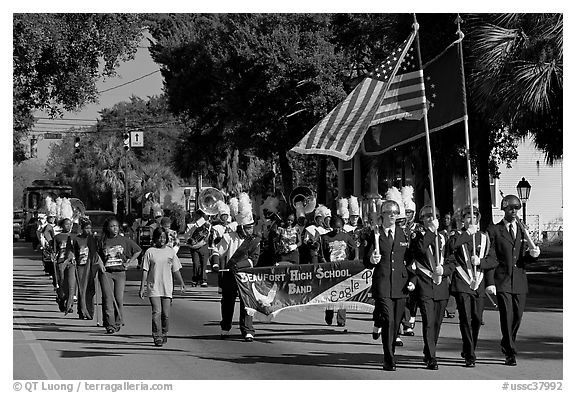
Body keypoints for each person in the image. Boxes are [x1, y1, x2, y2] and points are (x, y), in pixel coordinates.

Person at [487, 194, 540, 366]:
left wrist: (533, 256)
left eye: (517, 208)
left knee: (517, 316)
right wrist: (490, 282)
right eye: (511, 208)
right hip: (502, 279)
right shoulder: (495, 230)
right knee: (507, 316)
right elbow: (491, 256)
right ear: (504, 209)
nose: (514, 211)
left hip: (519, 280)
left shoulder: (522, 229)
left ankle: (506, 341)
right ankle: (510, 351)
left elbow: (522, 257)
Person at [363, 198, 415, 371]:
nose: (392, 216)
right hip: (383, 283)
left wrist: (412, 280)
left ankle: (391, 350)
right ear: (382, 215)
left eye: (395, 212)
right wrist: (372, 259)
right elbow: (366, 259)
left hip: (400, 284)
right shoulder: (375, 234)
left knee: (397, 321)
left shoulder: (404, 234)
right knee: (389, 320)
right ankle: (388, 357)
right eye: (389, 212)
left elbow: (411, 259)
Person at [446, 205, 497, 367]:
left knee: (477, 319)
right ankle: (470, 354)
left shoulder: (484, 237)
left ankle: (469, 347)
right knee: (466, 318)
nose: (471, 219)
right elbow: (450, 247)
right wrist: (468, 233)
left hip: (478, 283)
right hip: (462, 282)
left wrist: (480, 262)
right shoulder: (457, 235)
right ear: (463, 220)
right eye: (468, 217)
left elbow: (493, 260)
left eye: (474, 217)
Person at [219, 192, 261, 342]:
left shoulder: (255, 241)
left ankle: (248, 330)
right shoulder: (228, 237)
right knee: (227, 301)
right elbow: (217, 252)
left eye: (251, 227)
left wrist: (239, 265)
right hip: (230, 275)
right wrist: (216, 263)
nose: (251, 230)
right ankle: (225, 327)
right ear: (241, 227)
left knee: (247, 303)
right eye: (248, 228)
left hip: (246, 275)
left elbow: (254, 260)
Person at [139, 227, 186, 347]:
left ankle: (164, 332)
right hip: (153, 286)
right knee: (156, 312)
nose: (162, 239)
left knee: (166, 314)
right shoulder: (150, 252)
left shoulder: (171, 252)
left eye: (164, 237)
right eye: (159, 237)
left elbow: (176, 270)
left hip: (167, 287)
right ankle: (157, 336)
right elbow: (145, 270)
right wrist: (142, 287)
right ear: (155, 238)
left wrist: (181, 282)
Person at [98, 217, 141, 334]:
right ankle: (109, 324)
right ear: (107, 228)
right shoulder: (102, 240)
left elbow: (137, 250)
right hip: (106, 273)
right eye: (112, 226)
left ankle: (117, 322)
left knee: (118, 299)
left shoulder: (124, 240)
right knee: (108, 298)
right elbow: (95, 254)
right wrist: (100, 263)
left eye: (116, 226)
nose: (115, 228)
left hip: (120, 273)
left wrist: (129, 262)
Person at [320, 215, 357, 328]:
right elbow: (322, 254)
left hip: (343, 269)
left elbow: (355, 248)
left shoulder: (346, 236)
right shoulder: (325, 238)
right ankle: (329, 312)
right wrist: (326, 264)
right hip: (330, 269)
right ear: (331, 226)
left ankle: (341, 319)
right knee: (330, 293)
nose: (337, 230)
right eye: (335, 227)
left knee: (343, 294)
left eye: (339, 227)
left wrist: (355, 260)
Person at [400, 186, 419, 337]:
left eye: (410, 213)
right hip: (403, 264)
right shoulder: (400, 227)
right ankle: (406, 323)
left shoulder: (418, 228)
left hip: (417, 265)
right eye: (405, 212)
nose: (407, 215)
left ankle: (411, 316)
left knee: (414, 295)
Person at [73, 218, 99, 320]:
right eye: (86, 228)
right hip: (81, 266)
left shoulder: (93, 239)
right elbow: (74, 252)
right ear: (82, 229)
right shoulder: (77, 239)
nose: (88, 230)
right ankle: (82, 311)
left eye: (90, 228)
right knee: (82, 289)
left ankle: (90, 311)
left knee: (90, 289)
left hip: (91, 266)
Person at [52, 218, 77, 314]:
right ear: (62, 225)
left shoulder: (75, 237)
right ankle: (61, 299)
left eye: (70, 224)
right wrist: (53, 256)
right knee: (62, 283)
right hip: (61, 262)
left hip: (71, 263)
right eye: (67, 224)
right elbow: (54, 251)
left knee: (71, 285)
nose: (69, 226)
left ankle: (69, 305)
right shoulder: (57, 237)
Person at [184, 209, 211, 287]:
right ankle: (195, 279)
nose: (198, 217)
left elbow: (208, 235)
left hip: (204, 246)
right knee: (196, 263)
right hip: (194, 247)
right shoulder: (191, 225)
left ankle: (203, 280)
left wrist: (207, 227)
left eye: (200, 216)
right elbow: (186, 236)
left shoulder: (207, 224)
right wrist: (194, 228)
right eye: (197, 216)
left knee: (204, 264)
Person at [440, 212, 457, 319]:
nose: (446, 220)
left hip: (455, 262)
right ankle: (446, 308)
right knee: (446, 285)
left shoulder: (456, 233)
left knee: (454, 285)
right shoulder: (441, 233)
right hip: (444, 261)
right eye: (444, 218)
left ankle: (452, 309)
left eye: (448, 218)